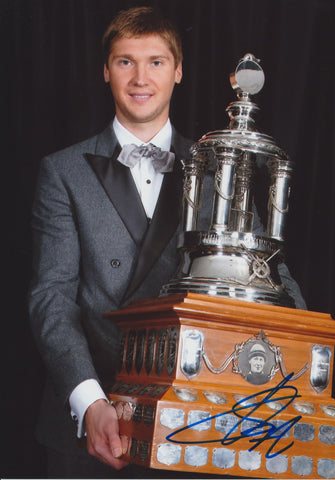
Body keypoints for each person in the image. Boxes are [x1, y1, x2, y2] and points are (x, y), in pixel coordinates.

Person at [29, 6, 306, 479]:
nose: (141, 78)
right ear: (106, 70)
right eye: (125, 61)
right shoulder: (63, 171)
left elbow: (269, 275)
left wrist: (301, 360)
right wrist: (91, 401)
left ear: (178, 71)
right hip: (91, 428)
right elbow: (51, 298)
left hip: (195, 426)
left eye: (156, 61)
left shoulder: (223, 170)